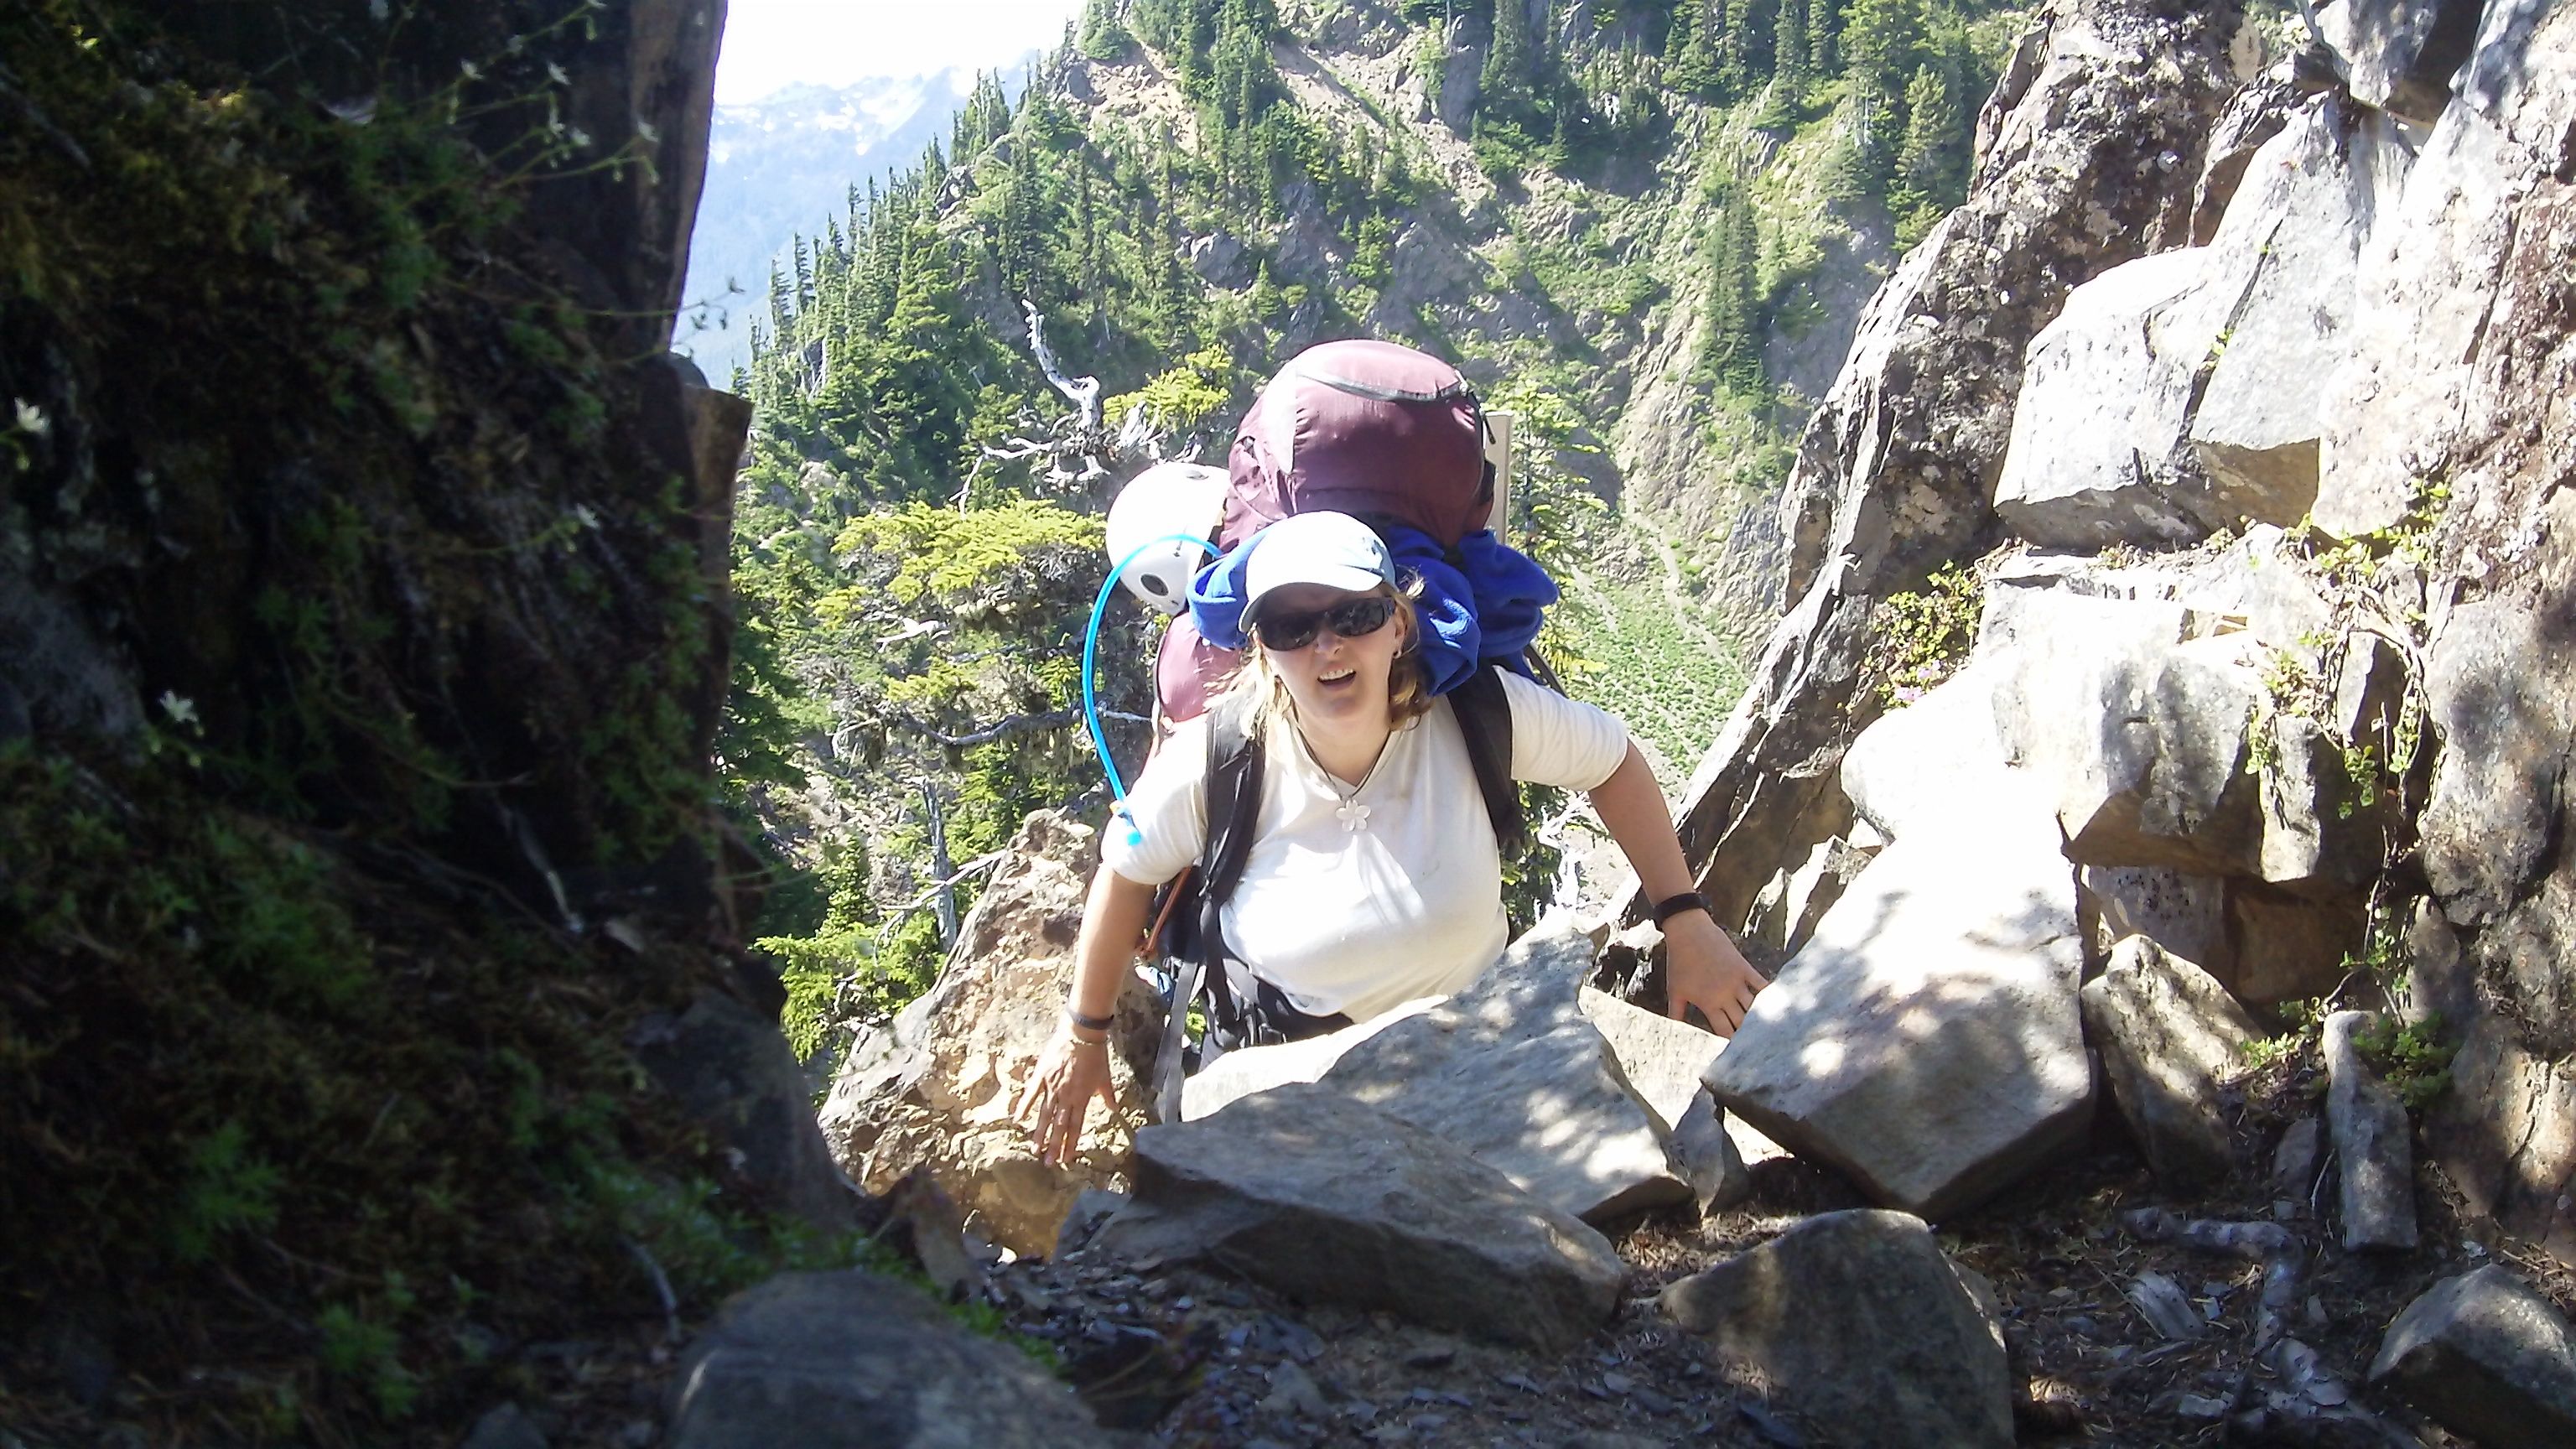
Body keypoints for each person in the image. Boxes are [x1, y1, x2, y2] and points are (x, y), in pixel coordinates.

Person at [1013, 512, 1768, 1165]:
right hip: (1285, 1094)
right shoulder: (1219, 758)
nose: (1327, 646)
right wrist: (1084, 1033)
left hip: (1479, 1068)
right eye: (1291, 628)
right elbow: (1126, 870)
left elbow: (1613, 761)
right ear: (1262, 648)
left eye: (1355, 616)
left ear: (1398, 623)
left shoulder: (1476, 714)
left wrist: (1685, 920)